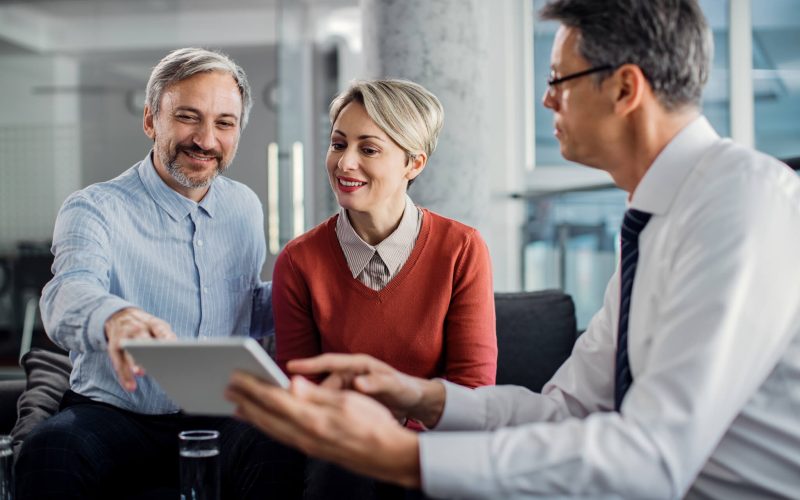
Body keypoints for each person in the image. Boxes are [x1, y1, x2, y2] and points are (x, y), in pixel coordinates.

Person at [225, 1, 800, 498]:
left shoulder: (739, 200)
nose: (548, 101)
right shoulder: (654, 220)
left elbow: (651, 455)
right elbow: (565, 411)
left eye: (560, 79)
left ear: (625, 88)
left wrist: (404, 455)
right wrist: (419, 395)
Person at [16, 48, 303, 499]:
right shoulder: (94, 207)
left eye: (224, 123)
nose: (206, 140)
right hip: (115, 411)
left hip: (221, 411)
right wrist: (114, 317)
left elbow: (242, 306)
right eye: (189, 117)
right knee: (51, 452)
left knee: (288, 448)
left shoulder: (244, 206)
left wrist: (316, 294)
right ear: (151, 120)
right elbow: (67, 292)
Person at [273, 79, 497, 497]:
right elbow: (300, 385)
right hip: (341, 448)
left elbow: (472, 388)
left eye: (368, 149)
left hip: (431, 443)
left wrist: (397, 432)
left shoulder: (461, 249)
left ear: (414, 163)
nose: (345, 163)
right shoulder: (299, 260)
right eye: (338, 144)